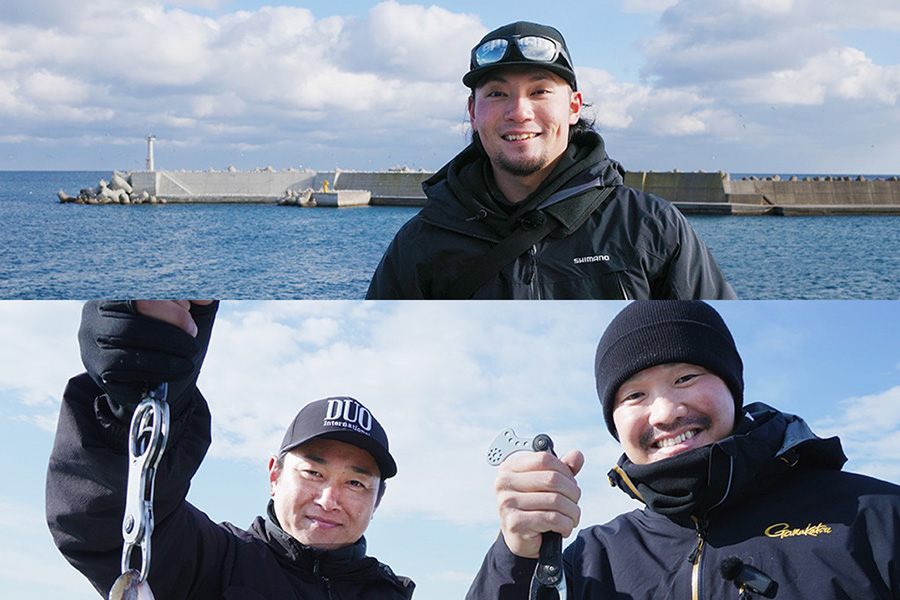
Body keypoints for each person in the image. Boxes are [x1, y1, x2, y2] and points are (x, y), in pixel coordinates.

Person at [467, 301, 900, 598]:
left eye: (685, 378)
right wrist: (517, 556)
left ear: (733, 389)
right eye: (633, 396)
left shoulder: (880, 518)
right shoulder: (588, 562)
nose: (665, 413)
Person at [46, 300, 414, 600]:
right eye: (313, 473)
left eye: (355, 483)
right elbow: (101, 520)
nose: (329, 499)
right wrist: (129, 403)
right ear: (274, 475)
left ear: (376, 499)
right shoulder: (213, 560)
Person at [367, 22, 736, 300]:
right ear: (473, 111)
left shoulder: (649, 227)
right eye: (497, 94)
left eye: (540, 91)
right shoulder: (421, 242)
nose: (518, 111)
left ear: (573, 107)